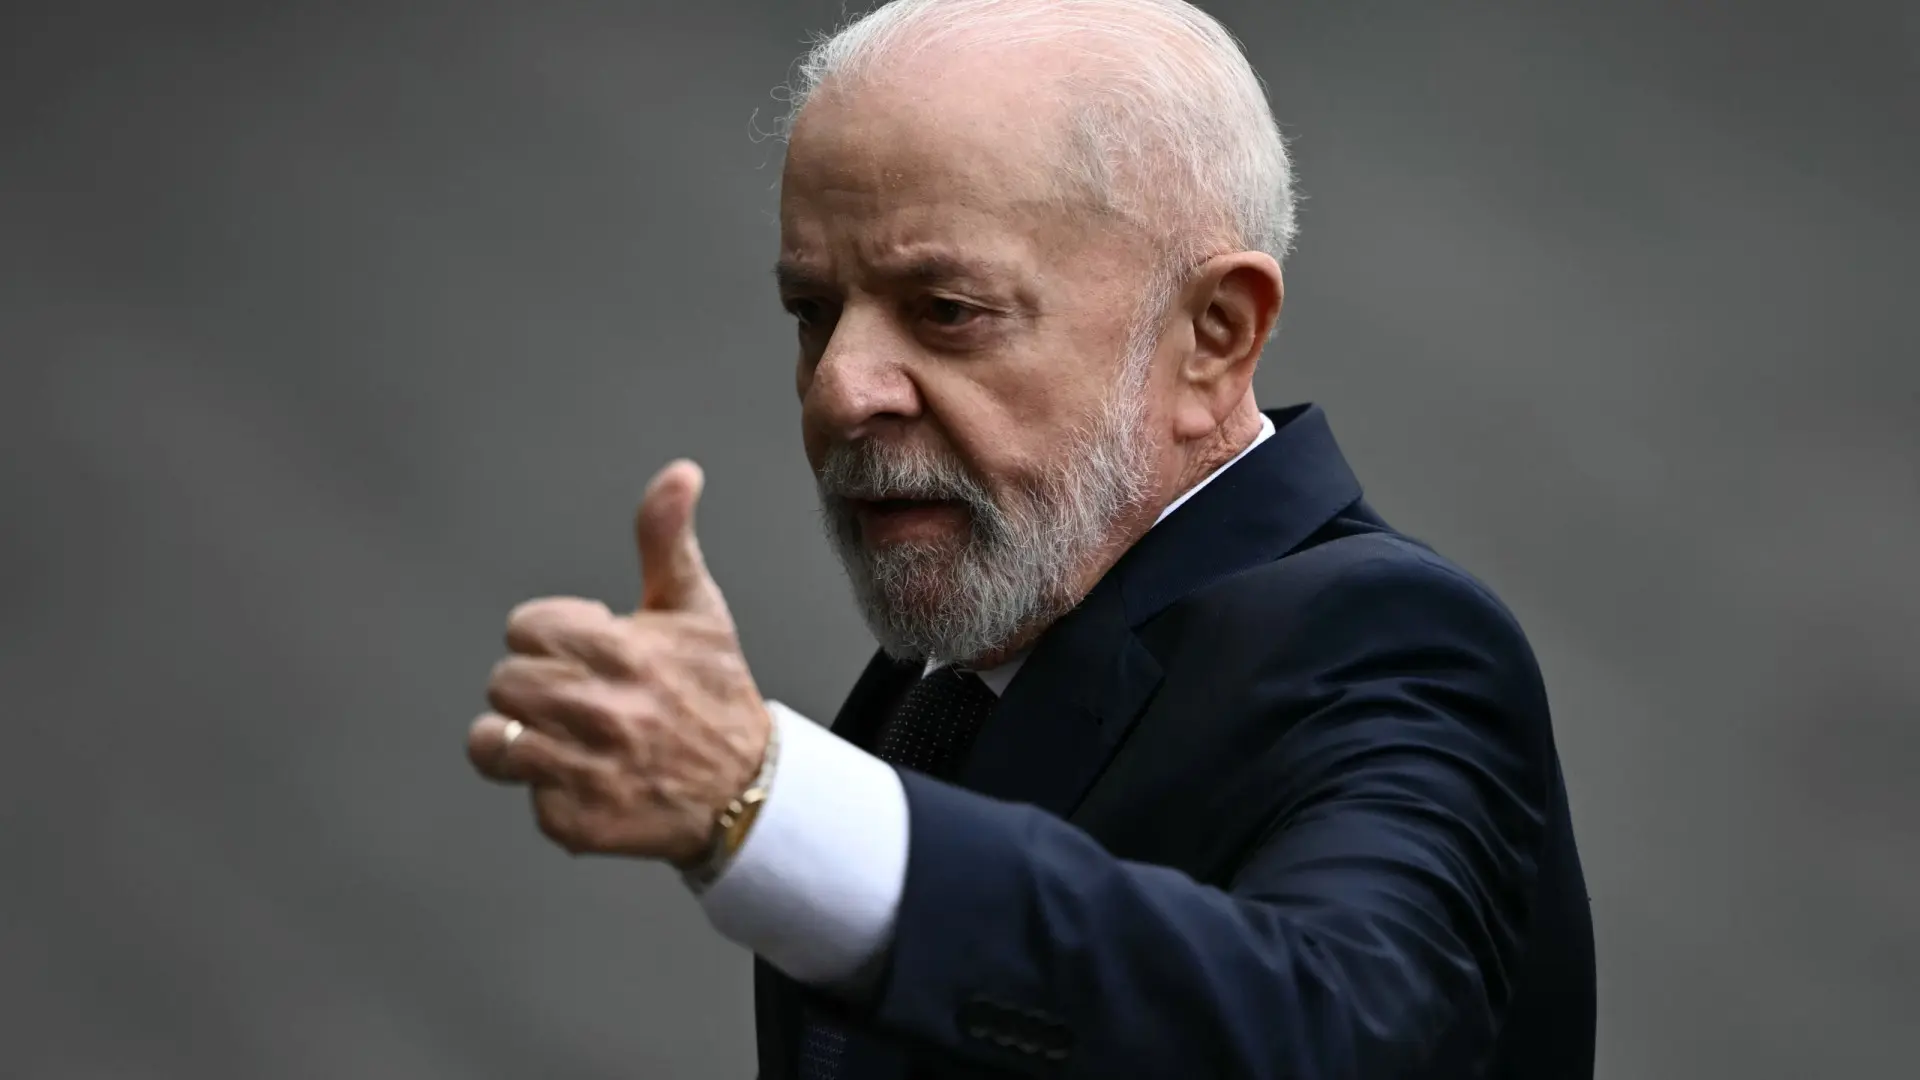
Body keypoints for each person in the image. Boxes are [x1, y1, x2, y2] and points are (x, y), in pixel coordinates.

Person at [465, 0, 1596, 1076]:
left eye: (947, 310)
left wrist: (762, 802)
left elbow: (1330, 1031)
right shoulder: (946, 683)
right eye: (813, 312)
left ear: (1214, 336)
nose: (841, 389)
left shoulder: (1385, 640)